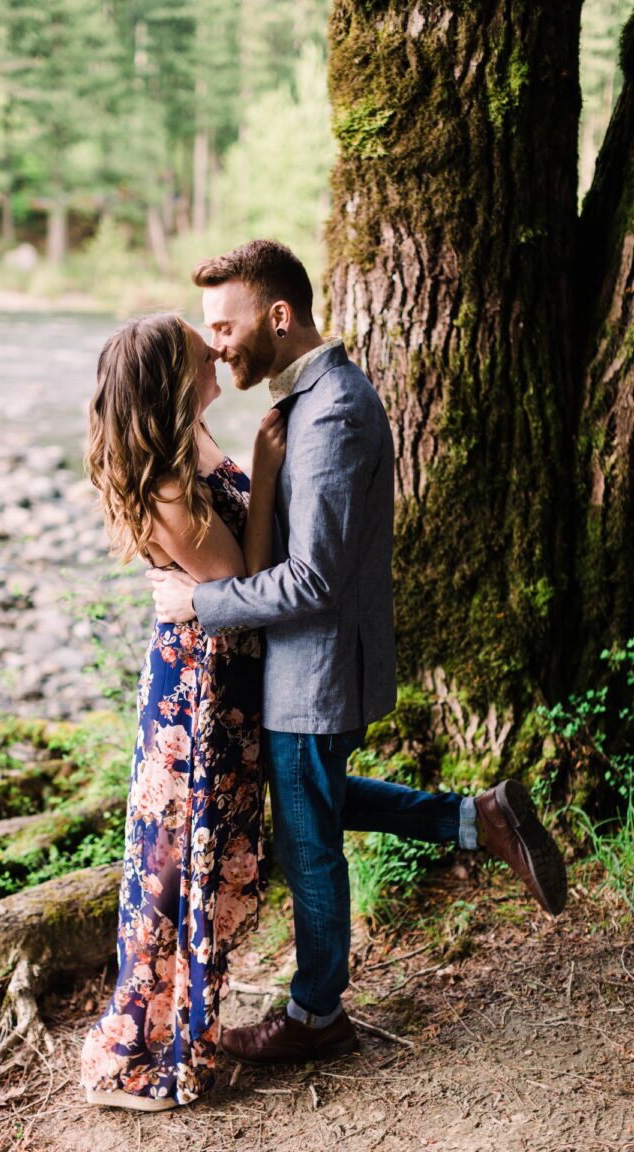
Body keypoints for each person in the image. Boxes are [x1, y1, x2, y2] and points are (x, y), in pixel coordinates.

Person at [147, 239, 568, 1067]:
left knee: (309, 843)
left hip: (316, 668)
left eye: (226, 327)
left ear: (279, 315)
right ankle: (474, 817)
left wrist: (201, 602)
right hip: (306, 664)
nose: (219, 344)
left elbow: (313, 583)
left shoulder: (333, 410)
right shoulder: (306, 404)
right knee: (317, 800)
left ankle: (316, 1014)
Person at [80, 313, 286, 1109]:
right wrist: (264, 472)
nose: (217, 349)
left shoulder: (192, 442)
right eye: (202, 351)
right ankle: (134, 1053)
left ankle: (178, 1028)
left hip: (220, 681)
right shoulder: (166, 483)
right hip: (197, 695)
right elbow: (244, 588)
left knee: (194, 864)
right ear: (173, 377)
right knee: (173, 871)